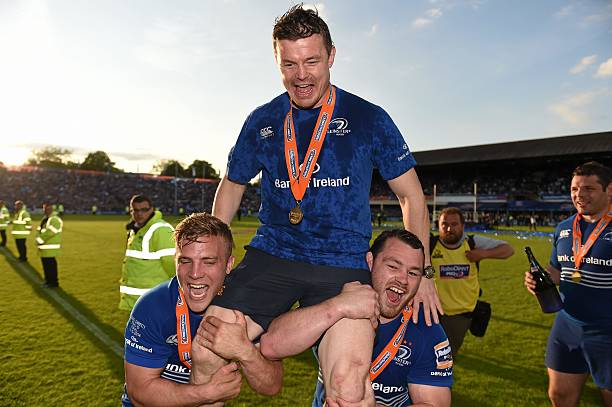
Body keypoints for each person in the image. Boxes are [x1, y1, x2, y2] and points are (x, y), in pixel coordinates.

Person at [201, 5, 439, 405]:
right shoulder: (262, 120)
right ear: (277, 61)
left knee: (349, 386)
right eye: (289, 64)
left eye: (311, 61)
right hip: (272, 255)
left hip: (343, 263)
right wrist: (213, 254)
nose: (301, 75)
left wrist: (426, 273)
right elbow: (232, 184)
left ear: (331, 55)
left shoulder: (368, 118)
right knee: (206, 351)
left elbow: (411, 195)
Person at [261, 229, 453, 407]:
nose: (403, 280)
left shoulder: (426, 329)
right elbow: (271, 344)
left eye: (413, 273)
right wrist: (337, 307)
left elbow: (435, 404)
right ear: (370, 261)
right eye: (393, 266)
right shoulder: (335, 298)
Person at [122, 213, 282, 406]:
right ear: (176, 261)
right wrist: (207, 393)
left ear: (229, 265)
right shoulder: (153, 307)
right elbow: (139, 393)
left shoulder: (247, 307)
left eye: (208, 262)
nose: (195, 274)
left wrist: (245, 351)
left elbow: (271, 386)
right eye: (185, 261)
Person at [524, 161, 612, 407]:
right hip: (567, 326)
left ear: (609, 190)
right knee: (559, 396)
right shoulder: (564, 228)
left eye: (588, 188)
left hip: (608, 331)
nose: (579, 195)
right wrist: (538, 279)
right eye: (574, 189)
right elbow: (556, 271)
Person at [432, 207, 514, 356]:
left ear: (463, 226)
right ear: (438, 226)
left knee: (444, 358)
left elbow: (508, 250)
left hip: (459, 315)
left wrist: (484, 253)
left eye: (454, 224)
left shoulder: (472, 242)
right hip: (432, 313)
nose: (449, 228)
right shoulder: (430, 245)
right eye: (444, 224)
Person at [119, 195, 176, 310]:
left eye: (144, 210)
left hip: (154, 300)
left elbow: (173, 264)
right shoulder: (135, 230)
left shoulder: (161, 229)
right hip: (137, 301)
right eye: (135, 210)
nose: (139, 214)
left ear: (152, 209)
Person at [36, 203, 63, 288]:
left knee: (50, 266)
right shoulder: (46, 219)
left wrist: (40, 240)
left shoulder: (54, 219)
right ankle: (48, 281)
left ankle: (53, 283)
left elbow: (51, 232)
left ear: (51, 209)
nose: (45, 210)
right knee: (46, 266)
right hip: (44, 247)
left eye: (47, 208)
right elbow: (40, 231)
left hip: (49, 246)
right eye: (44, 208)